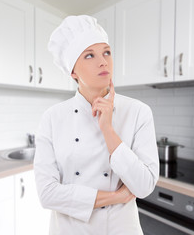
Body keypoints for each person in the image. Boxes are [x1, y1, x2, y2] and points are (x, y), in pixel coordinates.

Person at [34, 15, 159, 235]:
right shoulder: (52, 118)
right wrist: (114, 197)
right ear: (73, 71)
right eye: (89, 55)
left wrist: (108, 130)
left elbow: (144, 185)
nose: (103, 61)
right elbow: (47, 194)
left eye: (107, 52)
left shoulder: (138, 112)